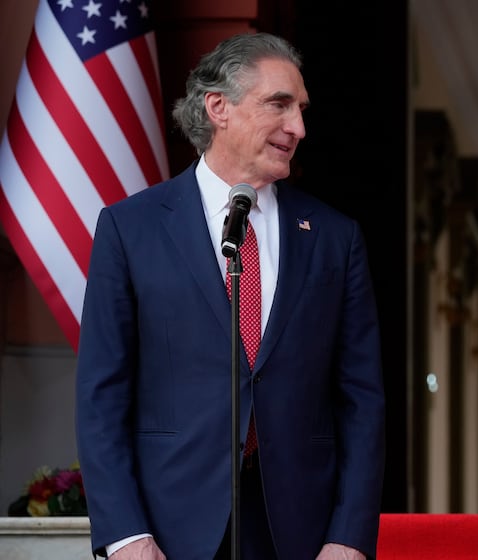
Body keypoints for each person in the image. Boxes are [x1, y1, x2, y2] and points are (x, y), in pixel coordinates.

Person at [75, 32, 385, 560]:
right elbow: (101, 396)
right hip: (171, 529)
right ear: (218, 107)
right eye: (279, 105)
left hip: (300, 532)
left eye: (301, 109)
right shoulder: (131, 229)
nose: (298, 127)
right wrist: (126, 535)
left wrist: (349, 537)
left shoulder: (335, 237)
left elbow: (362, 402)